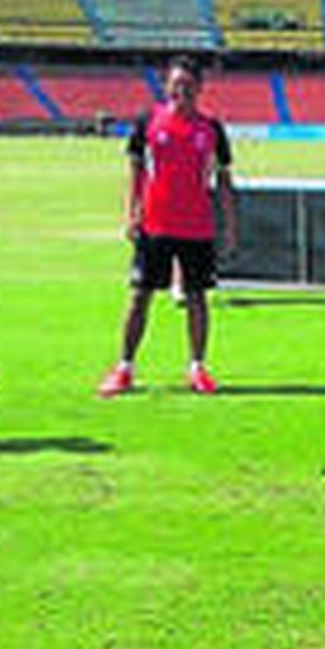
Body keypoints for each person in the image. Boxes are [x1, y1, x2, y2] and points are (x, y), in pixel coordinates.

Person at [98, 55, 237, 398]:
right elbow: (136, 170)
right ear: (166, 86)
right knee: (140, 296)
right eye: (176, 85)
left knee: (197, 298)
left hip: (197, 227)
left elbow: (224, 180)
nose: (182, 92)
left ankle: (197, 368)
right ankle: (124, 368)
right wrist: (132, 213)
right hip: (155, 225)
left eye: (188, 86)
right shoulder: (148, 122)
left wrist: (229, 225)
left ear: (200, 89)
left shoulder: (212, 129)